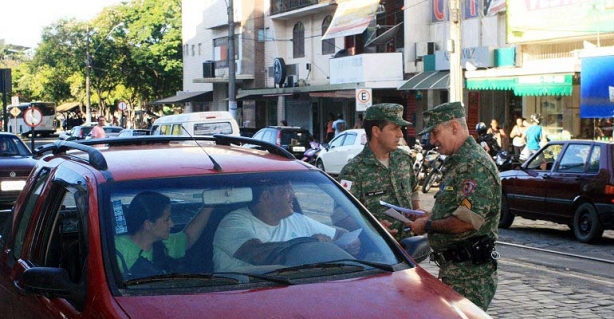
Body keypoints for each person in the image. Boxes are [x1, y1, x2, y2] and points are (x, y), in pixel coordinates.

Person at [409, 102, 501, 311]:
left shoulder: (473, 164)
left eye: (435, 132)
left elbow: (466, 222)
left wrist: (428, 225)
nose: (432, 141)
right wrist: (428, 216)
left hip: (470, 276)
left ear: (454, 127)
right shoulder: (458, 162)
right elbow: (455, 211)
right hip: (456, 270)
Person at [213, 181, 358, 272]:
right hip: (242, 292)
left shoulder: (296, 220)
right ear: (266, 196)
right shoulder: (234, 222)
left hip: (298, 289)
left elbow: (340, 233)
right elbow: (257, 254)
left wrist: (349, 242)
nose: (293, 195)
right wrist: (308, 245)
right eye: (287, 190)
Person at [337, 103, 422, 242]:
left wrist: (417, 211)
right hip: (378, 252)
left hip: (408, 246)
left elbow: (413, 189)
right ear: (376, 131)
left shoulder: (403, 159)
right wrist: (372, 227)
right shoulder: (353, 171)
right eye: (395, 129)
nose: (400, 134)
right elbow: (340, 217)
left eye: (400, 129)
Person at [116, 191, 212, 278]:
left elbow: (189, 237)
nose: (172, 224)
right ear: (148, 224)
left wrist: (210, 205)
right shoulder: (117, 249)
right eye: (167, 220)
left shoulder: (165, 243)